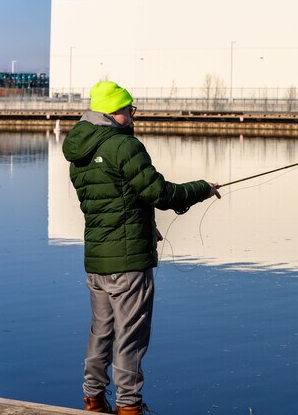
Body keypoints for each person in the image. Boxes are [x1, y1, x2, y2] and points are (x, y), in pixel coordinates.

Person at [62, 81, 221, 414]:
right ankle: (129, 405)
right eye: (129, 110)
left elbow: (113, 201)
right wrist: (202, 189)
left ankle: (92, 398)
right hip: (129, 262)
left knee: (101, 331)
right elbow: (158, 193)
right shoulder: (125, 146)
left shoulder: (78, 153)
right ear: (114, 112)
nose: (132, 117)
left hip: (96, 260)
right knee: (131, 337)